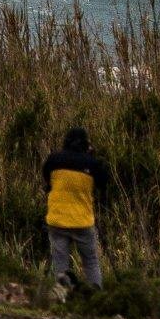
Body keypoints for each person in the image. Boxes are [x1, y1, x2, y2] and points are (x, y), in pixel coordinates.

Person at [41, 124, 106, 296]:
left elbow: (47, 180)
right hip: (82, 221)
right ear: (86, 144)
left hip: (57, 220)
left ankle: (62, 296)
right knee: (90, 261)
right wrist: (91, 156)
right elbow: (103, 183)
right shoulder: (92, 164)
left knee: (60, 263)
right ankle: (96, 296)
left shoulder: (53, 160)